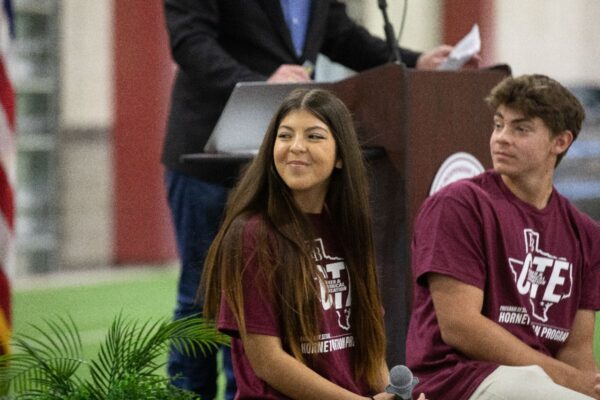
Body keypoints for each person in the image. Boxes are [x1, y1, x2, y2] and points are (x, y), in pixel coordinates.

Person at [161, 0, 478, 398]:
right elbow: (190, 42)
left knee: (267, 314)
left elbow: (343, 37)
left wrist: (416, 61)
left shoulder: (346, 221)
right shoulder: (252, 228)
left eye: (318, 138)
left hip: (282, 133)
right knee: (201, 299)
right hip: (209, 152)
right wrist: (259, 80)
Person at [201, 88, 427, 400]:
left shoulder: (348, 228)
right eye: (285, 136)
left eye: (314, 136)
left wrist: (390, 394)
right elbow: (268, 362)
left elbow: (368, 344)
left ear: (340, 158)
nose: (295, 147)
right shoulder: (252, 234)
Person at [405, 74, 600, 400]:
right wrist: (566, 380)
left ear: (560, 142)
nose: (501, 138)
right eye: (499, 125)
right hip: (459, 378)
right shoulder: (458, 205)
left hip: (540, 384)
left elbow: (576, 351)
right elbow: (461, 328)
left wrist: (588, 387)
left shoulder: (586, 234)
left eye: (520, 129)